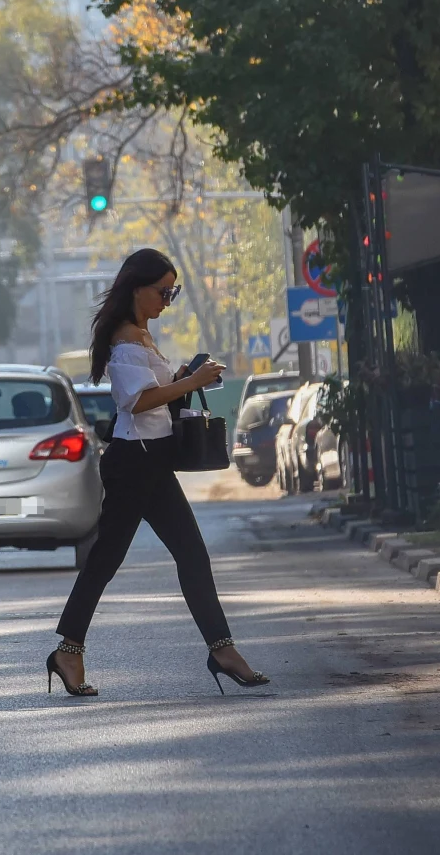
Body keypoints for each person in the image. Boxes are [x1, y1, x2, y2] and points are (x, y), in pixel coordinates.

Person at [47, 248, 270, 697]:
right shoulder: (126, 339)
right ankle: (69, 650)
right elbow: (138, 401)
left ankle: (222, 649)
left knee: (188, 554)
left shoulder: (143, 337)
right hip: (134, 462)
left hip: (151, 460)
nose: (168, 300)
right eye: (163, 291)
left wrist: (184, 376)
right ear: (137, 288)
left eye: (173, 292)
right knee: (109, 559)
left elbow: (157, 396)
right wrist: (191, 381)